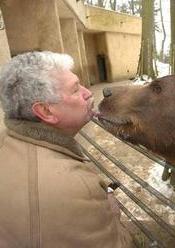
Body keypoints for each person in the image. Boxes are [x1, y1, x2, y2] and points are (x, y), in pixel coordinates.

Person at [0, 51, 133, 247]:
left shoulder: (7, 141)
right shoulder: (74, 186)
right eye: (75, 89)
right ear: (45, 111)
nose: (88, 92)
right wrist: (113, 213)